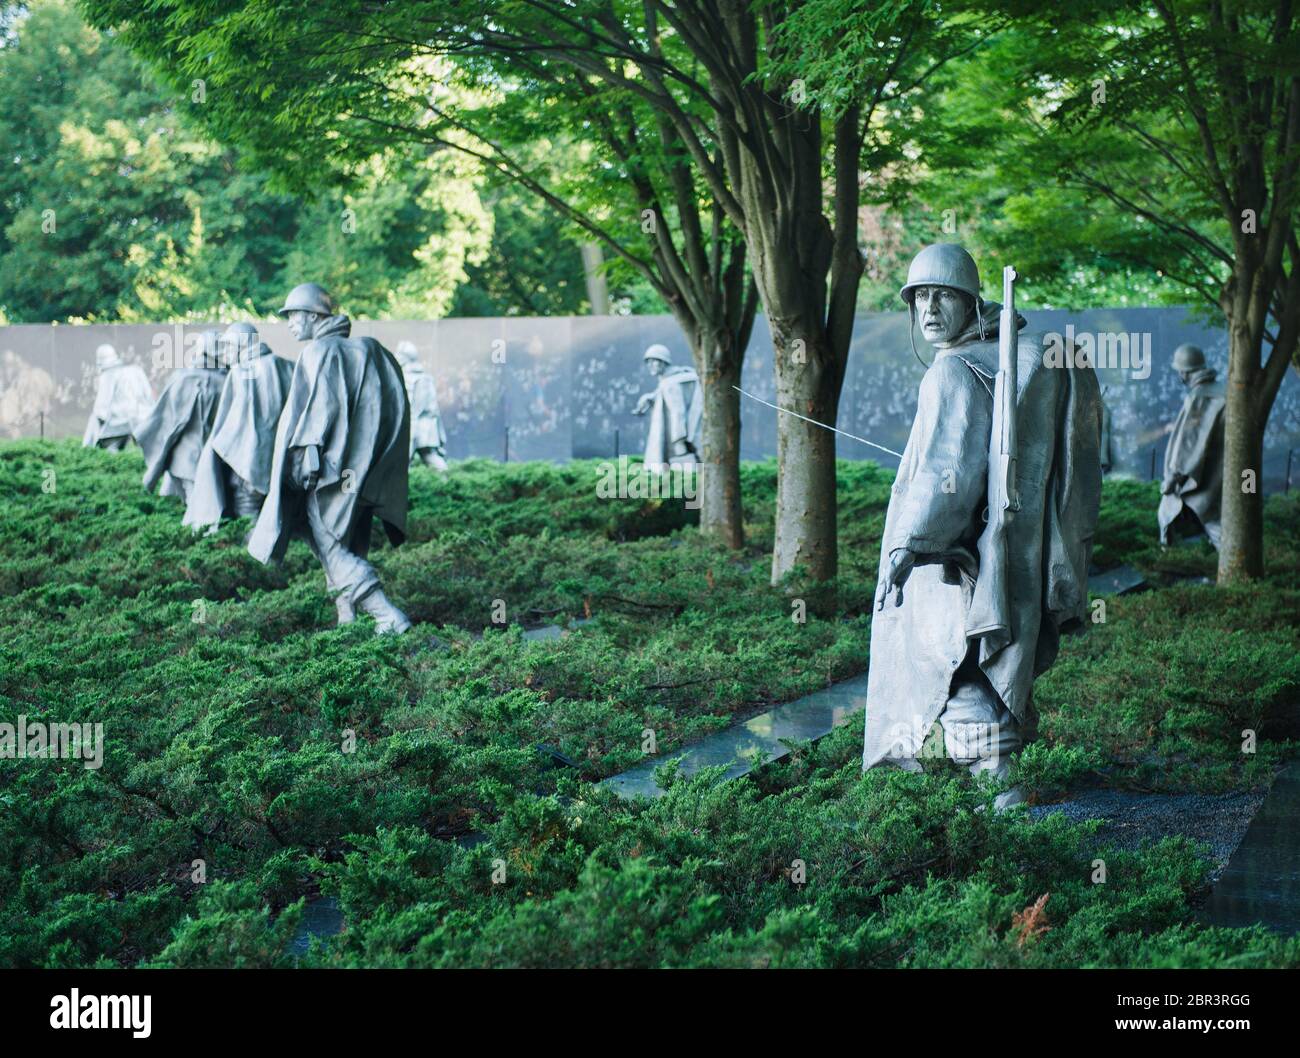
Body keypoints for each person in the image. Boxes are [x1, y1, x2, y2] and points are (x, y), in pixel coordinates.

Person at [862, 244, 1102, 811]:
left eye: (942, 294)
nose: (928, 308)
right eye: (918, 296)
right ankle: (1002, 796)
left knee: (955, 670)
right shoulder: (1017, 356)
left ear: (971, 299)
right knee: (989, 671)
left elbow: (950, 469)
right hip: (1013, 557)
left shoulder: (952, 368)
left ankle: (1003, 813)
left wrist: (907, 543)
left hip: (955, 565)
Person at [247, 283, 412, 635]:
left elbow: (319, 410)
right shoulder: (369, 350)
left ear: (314, 316)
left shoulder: (319, 351)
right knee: (346, 543)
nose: (290, 323)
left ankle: (387, 616)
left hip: (328, 474)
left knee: (328, 542)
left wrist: (306, 459)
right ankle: (347, 621)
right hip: (364, 475)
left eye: (294, 315)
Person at [184, 323, 294, 531]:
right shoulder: (287, 366)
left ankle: (252, 560)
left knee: (249, 518)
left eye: (228, 347)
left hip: (246, 464)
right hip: (284, 462)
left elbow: (229, 427)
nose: (224, 354)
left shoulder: (241, 372)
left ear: (241, 345)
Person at [136, 331, 227, 501]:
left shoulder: (183, 377)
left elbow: (167, 421)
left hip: (186, 458)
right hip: (213, 457)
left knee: (198, 509)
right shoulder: (228, 379)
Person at [1158, 343, 1225, 548]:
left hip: (1208, 475)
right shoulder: (1222, 390)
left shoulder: (1200, 397)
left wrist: (1174, 477)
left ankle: (1168, 559)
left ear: (1183, 373)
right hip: (1228, 472)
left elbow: (1189, 443)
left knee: (1208, 518)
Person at [633, 344, 702, 472]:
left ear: (662, 362)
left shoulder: (672, 383)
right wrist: (651, 397)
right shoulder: (670, 379)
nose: (650, 366)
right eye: (648, 362)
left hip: (680, 443)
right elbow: (662, 393)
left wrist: (678, 441)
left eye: (653, 361)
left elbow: (678, 413)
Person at [81, 344, 152, 450]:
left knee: (110, 454)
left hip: (117, 423)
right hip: (141, 420)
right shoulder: (137, 371)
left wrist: (90, 441)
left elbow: (101, 409)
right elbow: (149, 397)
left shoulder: (108, 375)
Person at [395, 341, 449, 471]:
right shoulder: (405, 376)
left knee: (429, 457)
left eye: (399, 355)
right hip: (414, 425)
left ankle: (448, 485)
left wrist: (410, 431)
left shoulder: (421, 379)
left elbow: (417, 410)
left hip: (421, 426)